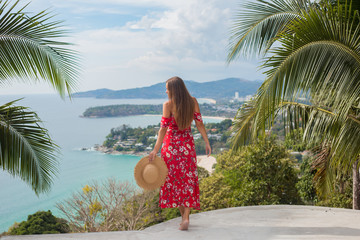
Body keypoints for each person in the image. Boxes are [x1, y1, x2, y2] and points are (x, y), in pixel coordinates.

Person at [149, 76, 211, 231]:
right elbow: (199, 123)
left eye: (167, 88)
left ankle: (184, 217)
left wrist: (155, 150)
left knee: (175, 182)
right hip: (187, 146)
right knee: (187, 181)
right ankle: (186, 217)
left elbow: (163, 129)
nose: (166, 91)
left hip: (171, 147)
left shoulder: (168, 105)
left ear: (173, 89)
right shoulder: (193, 101)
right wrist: (207, 142)